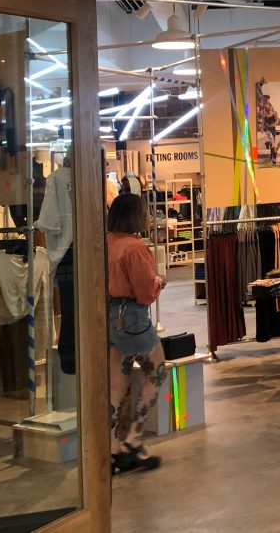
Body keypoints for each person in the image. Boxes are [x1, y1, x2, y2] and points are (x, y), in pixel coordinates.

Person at [106, 193, 167, 472]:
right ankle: (132, 439)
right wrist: (158, 284)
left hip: (109, 316)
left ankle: (110, 447)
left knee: (116, 384)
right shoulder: (135, 248)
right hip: (132, 317)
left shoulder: (105, 243)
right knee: (158, 371)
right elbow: (144, 293)